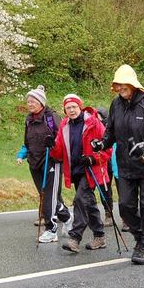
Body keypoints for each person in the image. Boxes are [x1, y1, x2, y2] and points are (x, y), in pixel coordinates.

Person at [92, 65, 144, 265]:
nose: (119, 88)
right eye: (117, 85)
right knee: (125, 206)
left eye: (123, 84)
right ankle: (141, 236)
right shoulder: (115, 105)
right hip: (125, 165)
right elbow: (110, 132)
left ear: (132, 84)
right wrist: (102, 143)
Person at [49, 94, 111, 253]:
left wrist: (93, 158)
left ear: (80, 107)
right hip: (75, 170)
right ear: (65, 110)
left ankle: (75, 238)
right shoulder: (64, 125)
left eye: (74, 107)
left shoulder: (94, 123)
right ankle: (100, 236)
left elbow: (107, 148)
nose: (71, 110)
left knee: (79, 200)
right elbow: (58, 153)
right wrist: (52, 147)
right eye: (68, 108)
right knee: (88, 203)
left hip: (91, 170)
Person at [16, 85, 71, 243]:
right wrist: (24, 154)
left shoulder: (51, 117)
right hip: (35, 161)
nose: (30, 104)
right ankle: (67, 217)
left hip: (52, 160)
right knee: (47, 195)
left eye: (33, 101)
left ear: (41, 102)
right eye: (28, 101)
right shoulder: (29, 119)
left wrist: (52, 144)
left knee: (48, 197)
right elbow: (27, 140)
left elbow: (62, 137)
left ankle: (51, 229)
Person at [96, 107, 116, 228]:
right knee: (104, 189)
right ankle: (108, 214)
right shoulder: (95, 128)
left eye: (99, 117)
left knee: (123, 190)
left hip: (115, 162)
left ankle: (125, 218)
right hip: (102, 162)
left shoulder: (111, 128)